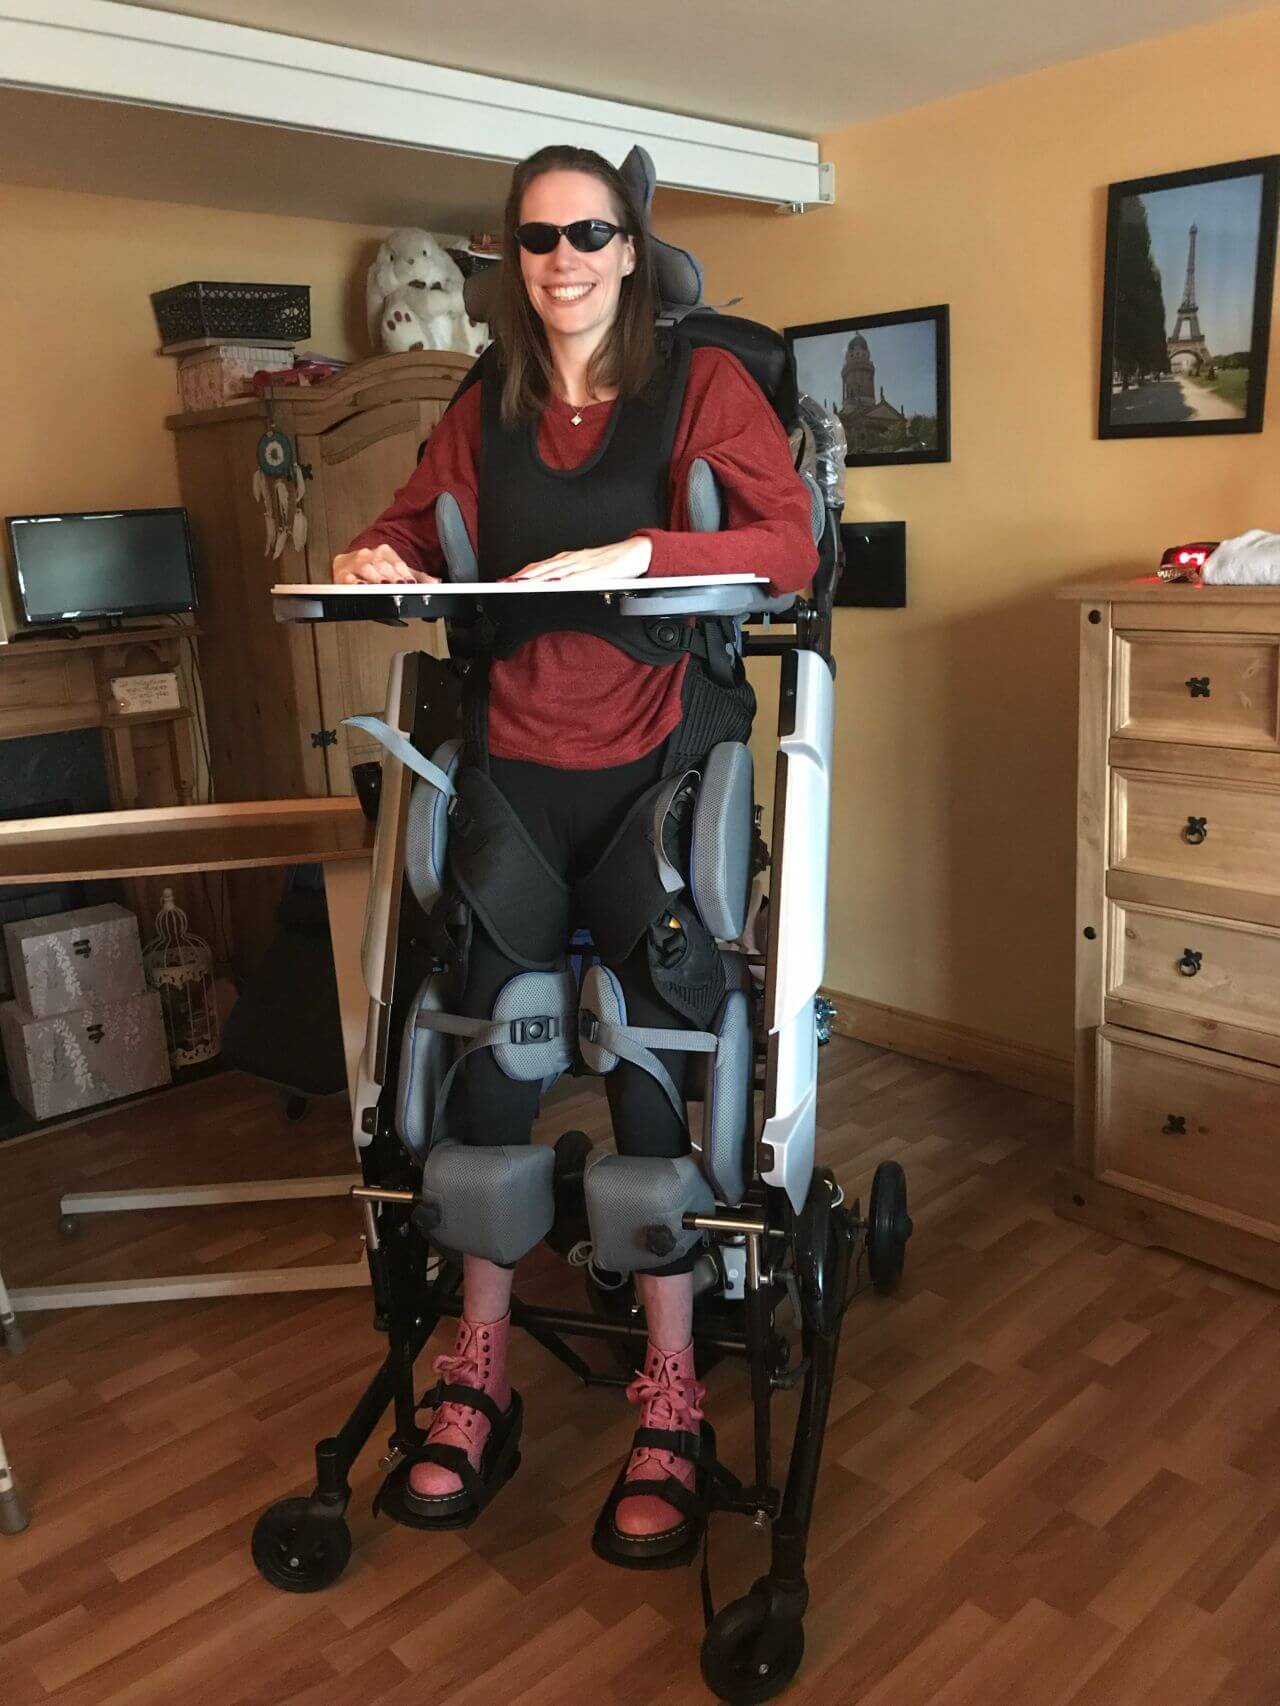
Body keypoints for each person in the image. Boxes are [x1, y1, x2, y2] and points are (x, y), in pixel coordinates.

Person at [334, 143, 816, 1567]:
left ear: (630, 244)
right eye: (537, 238)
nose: (565, 259)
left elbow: (786, 544)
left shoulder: (704, 387)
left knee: (657, 1065)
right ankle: (477, 1370)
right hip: (514, 769)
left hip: (658, 762)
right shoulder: (484, 404)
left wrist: (638, 555)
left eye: (591, 232)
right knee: (494, 1055)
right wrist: (374, 551)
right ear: (512, 257)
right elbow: (408, 524)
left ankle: (672, 1393)